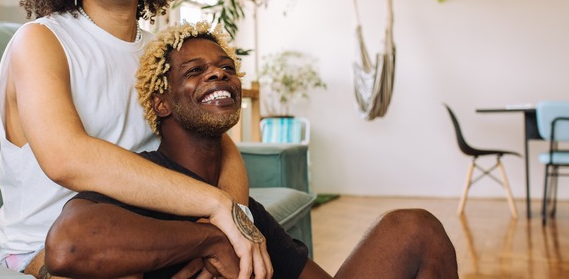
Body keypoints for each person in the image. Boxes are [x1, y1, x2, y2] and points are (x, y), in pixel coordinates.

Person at [0, 0, 271, 278]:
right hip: (51, 251)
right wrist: (212, 205)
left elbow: (219, 144)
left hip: (149, 238)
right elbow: (67, 158)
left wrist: (231, 220)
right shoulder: (41, 41)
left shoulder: (162, 54)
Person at [42, 21, 460, 279]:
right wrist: (209, 241)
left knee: (414, 228)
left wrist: (231, 225)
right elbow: (67, 247)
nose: (218, 74)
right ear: (162, 102)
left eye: (226, 67)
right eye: (195, 71)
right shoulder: (146, 184)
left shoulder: (241, 210)